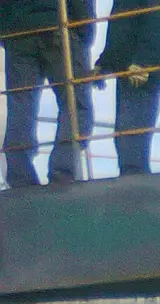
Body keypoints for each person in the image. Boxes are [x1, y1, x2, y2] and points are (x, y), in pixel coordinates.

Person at [0, 0, 96, 187]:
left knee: (20, 105)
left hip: (19, 35)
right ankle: (63, 171)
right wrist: (83, 33)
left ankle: (19, 175)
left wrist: (8, 35)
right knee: (75, 104)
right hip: (59, 28)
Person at [95, 0, 160, 176]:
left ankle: (135, 183)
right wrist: (105, 62)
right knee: (126, 136)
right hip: (129, 68)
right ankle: (132, 180)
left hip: (142, 71)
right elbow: (121, 25)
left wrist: (145, 62)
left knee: (131, 136)